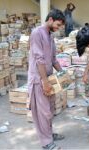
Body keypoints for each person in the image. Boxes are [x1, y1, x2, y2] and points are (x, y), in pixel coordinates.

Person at [28, 9, 65, 149]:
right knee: (43, 112)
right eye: (58, 24)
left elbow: (54, 59)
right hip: (39, 79)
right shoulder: (37, 33)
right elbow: (39, 59)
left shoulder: (50, 36)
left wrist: (63, 75)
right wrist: (44, 81)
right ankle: (46, 142)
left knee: (50, 109)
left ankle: (49, 133)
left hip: (49, 78)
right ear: (50, 19)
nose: (59, 28)